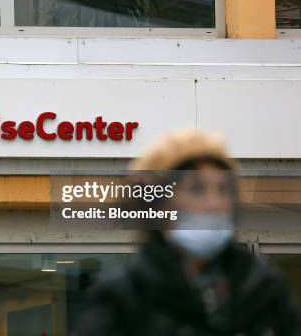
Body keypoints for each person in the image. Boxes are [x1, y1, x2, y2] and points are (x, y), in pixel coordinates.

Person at [73, 128, 301, 336]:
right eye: (197, 189)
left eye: (223, 189)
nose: (214, 203)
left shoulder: (264, 290)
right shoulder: (120, 300)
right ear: (157, 205)